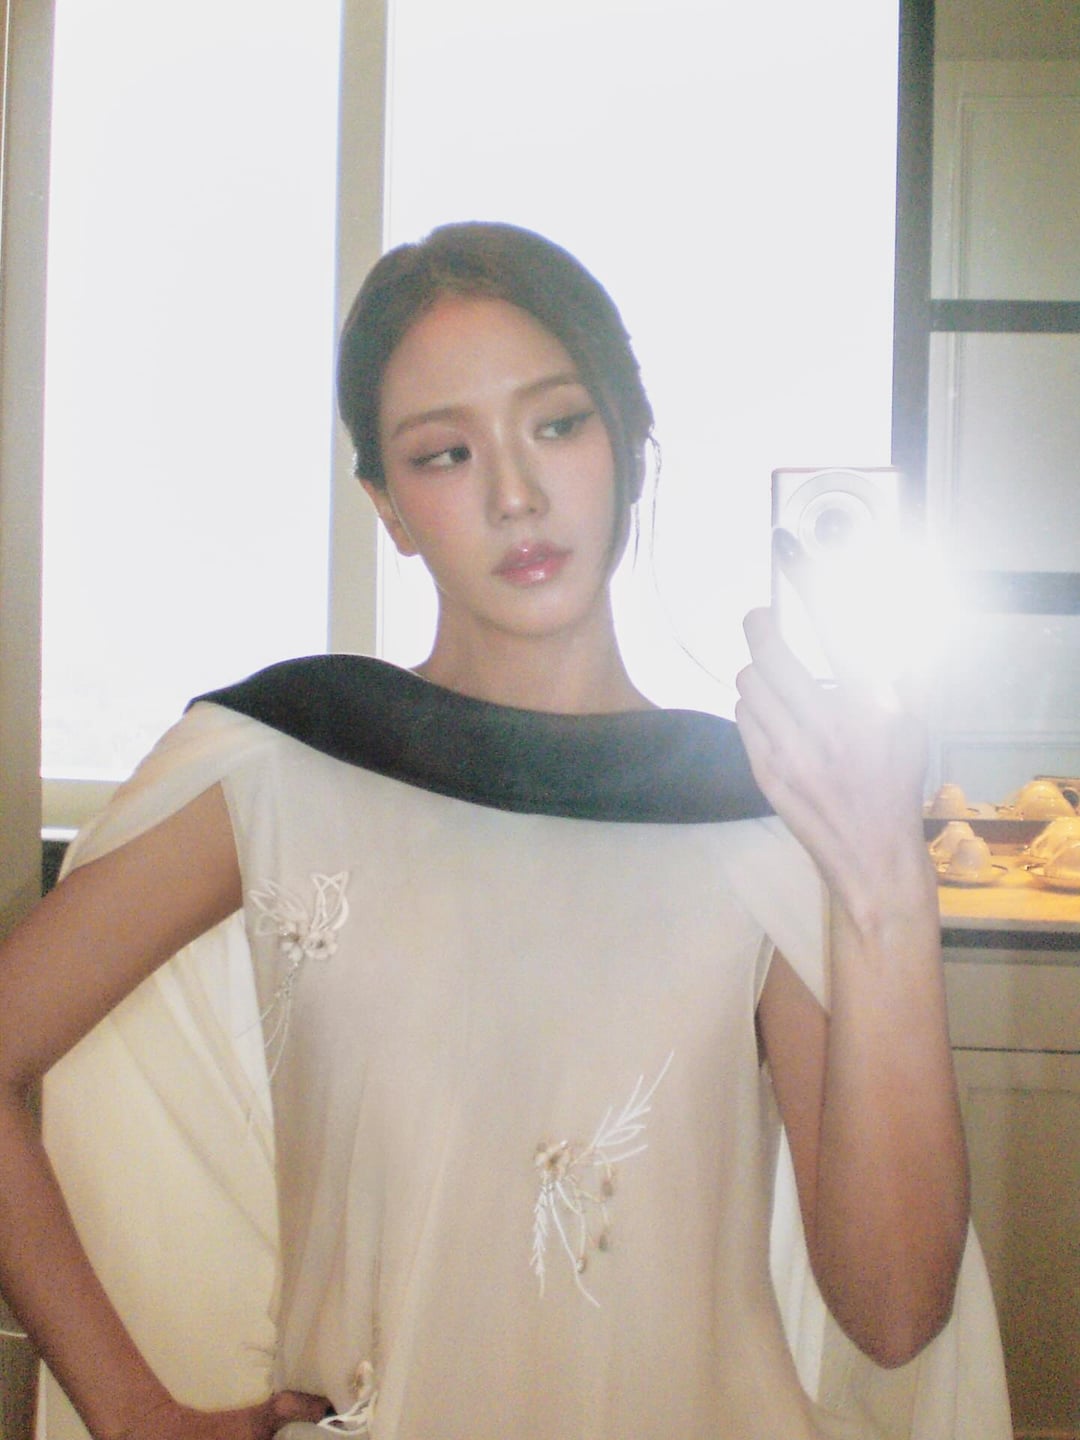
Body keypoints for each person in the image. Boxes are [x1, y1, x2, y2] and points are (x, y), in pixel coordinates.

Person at [0, 222, 1011, 1440]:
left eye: (558, 424)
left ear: (630, 444)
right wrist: (128, 1411)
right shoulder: (289, 761)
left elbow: (894, 1312)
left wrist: (886, 883)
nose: (516, 494)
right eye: (445, 452)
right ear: (388, 506)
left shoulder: (753, 804)